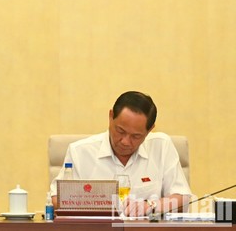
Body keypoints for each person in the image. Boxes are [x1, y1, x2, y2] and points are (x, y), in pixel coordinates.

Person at [49, 91, 191, 217]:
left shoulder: (161, 146)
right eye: (120, 131)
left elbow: (182, 198)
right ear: (111, 117)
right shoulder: (80, 152)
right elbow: (56, 199)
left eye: (135, 136)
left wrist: (150, 206)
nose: (125, 142)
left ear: (149, 130)